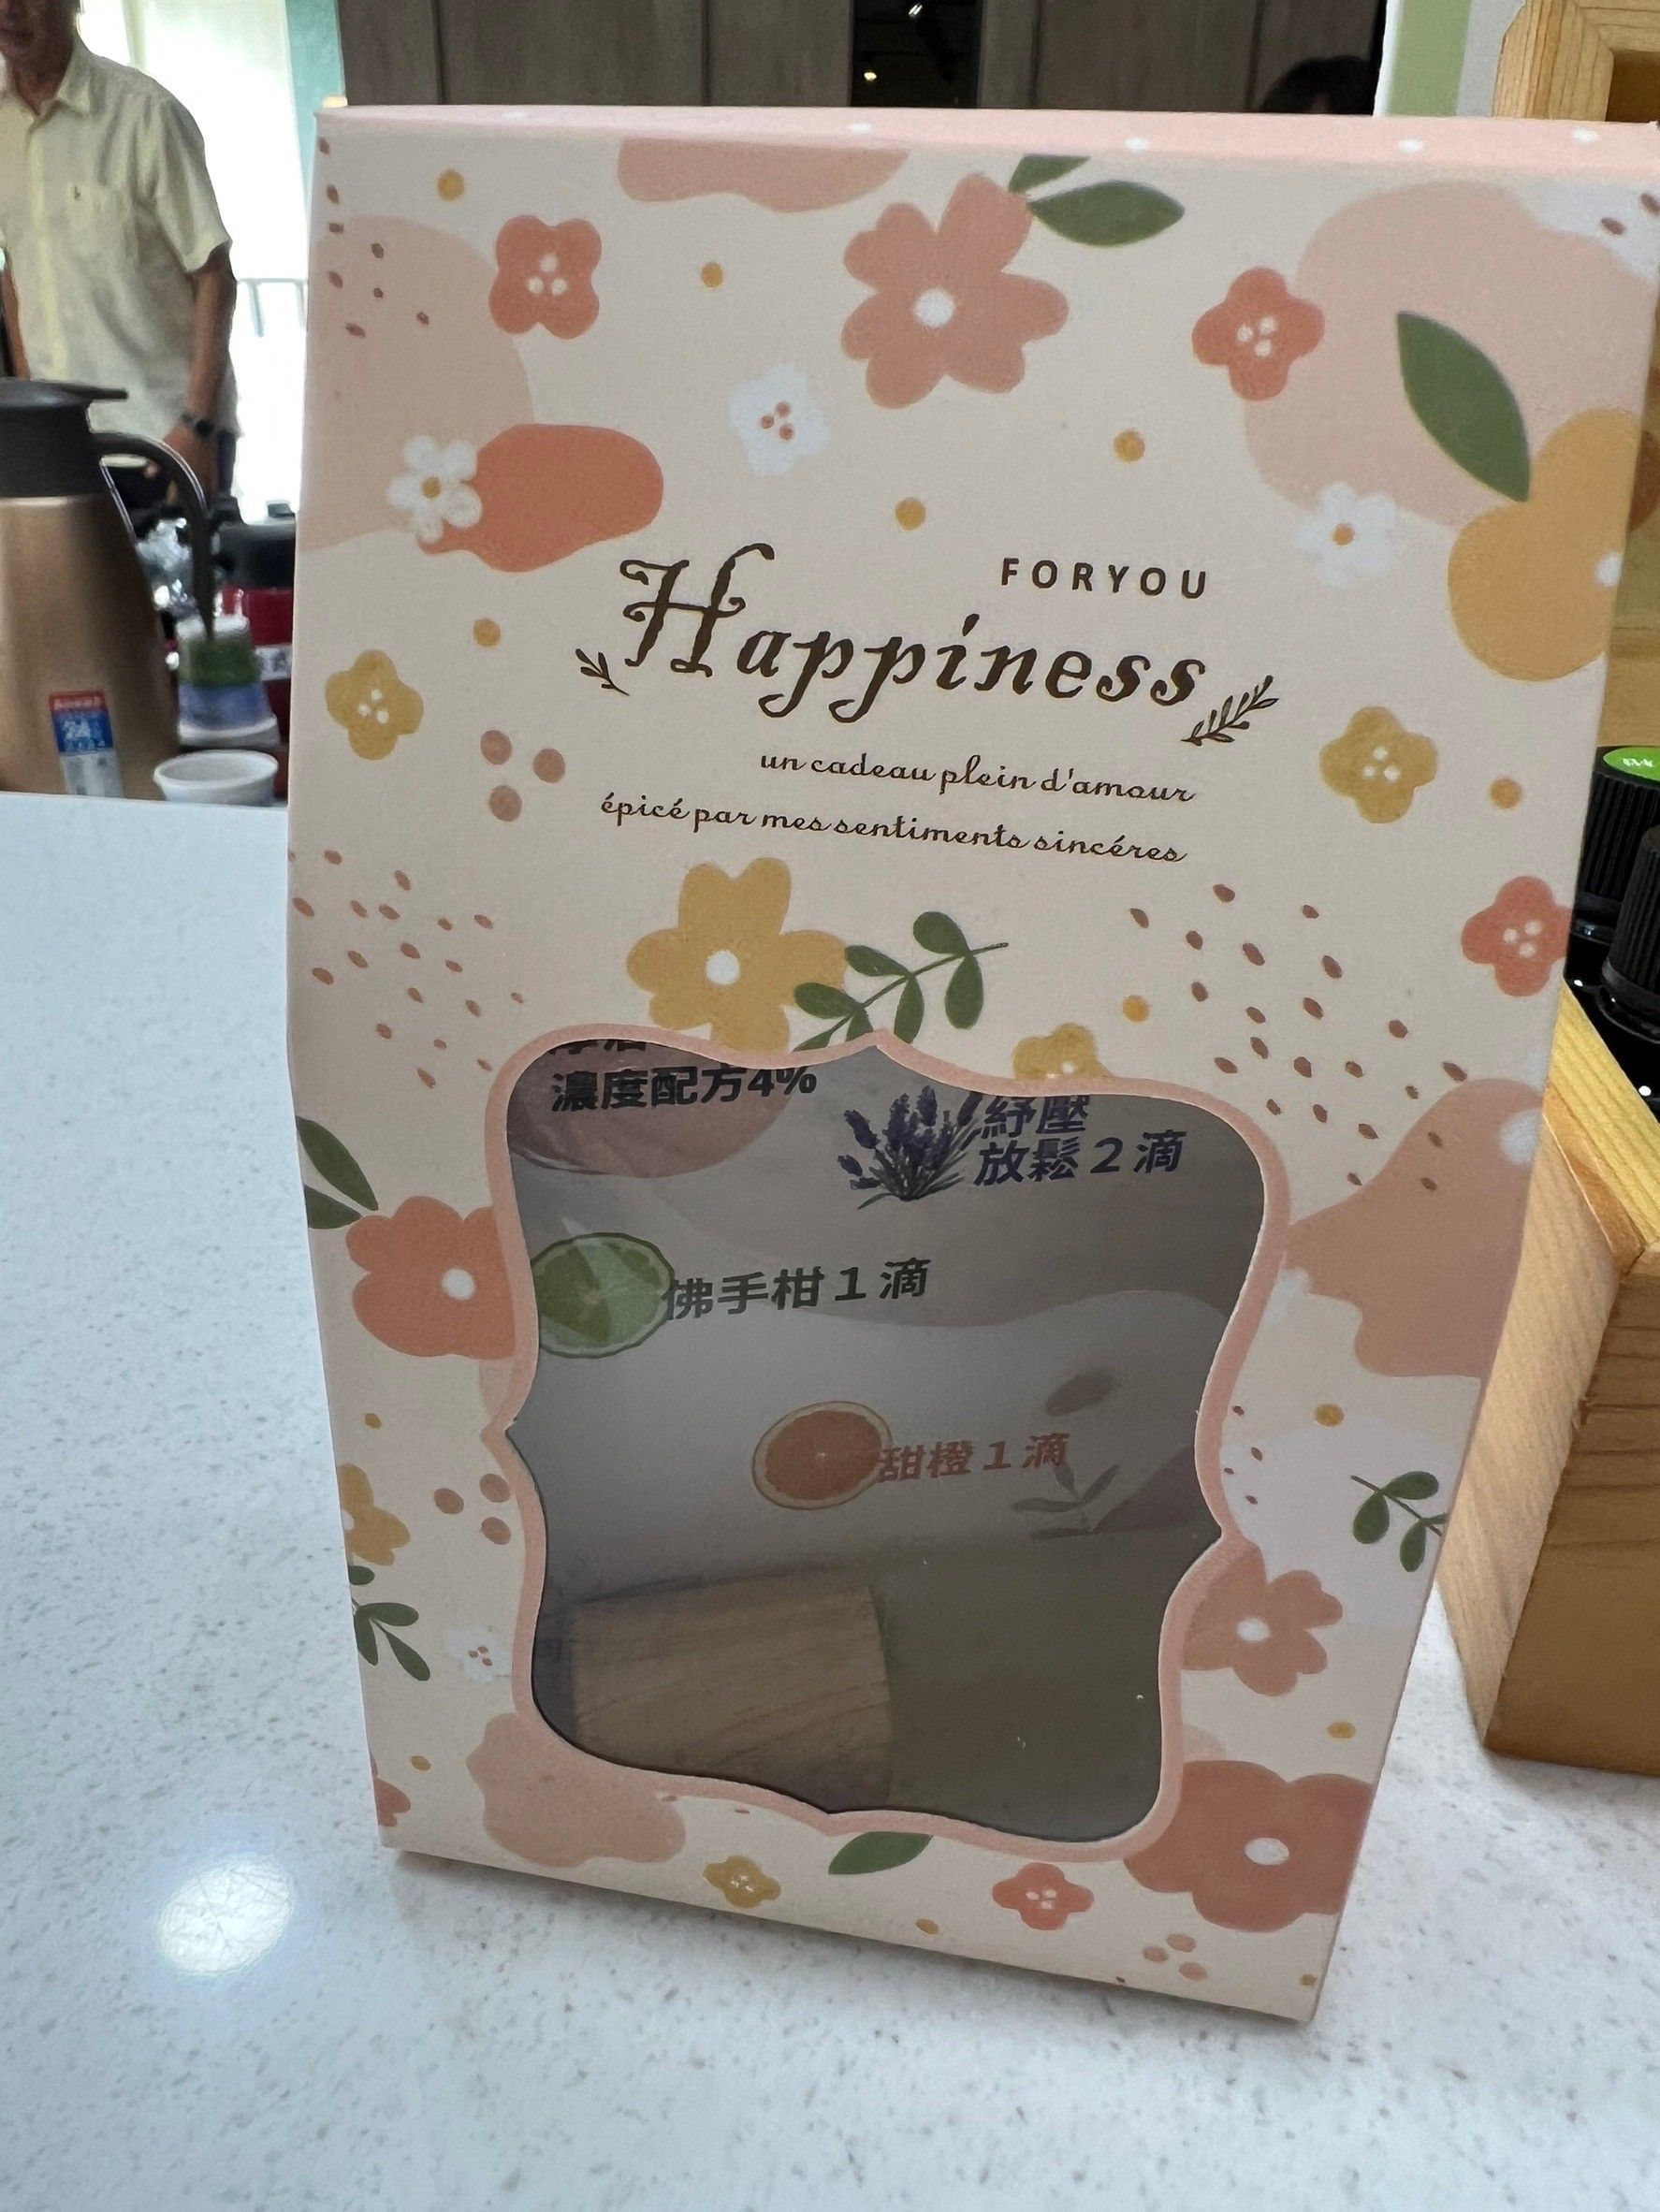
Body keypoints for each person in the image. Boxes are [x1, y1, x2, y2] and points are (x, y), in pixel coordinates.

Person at [0, 0, 236, 495]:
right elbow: (15, 271)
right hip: (62, 447)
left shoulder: (144, 115)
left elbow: (213, 275)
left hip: (163, 440)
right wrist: (32, 406)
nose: (8, 8)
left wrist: (197, 425)